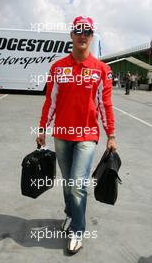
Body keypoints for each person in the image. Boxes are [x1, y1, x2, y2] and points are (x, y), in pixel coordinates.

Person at [36, 16, 117, 254]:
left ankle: (77, 231)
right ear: (71, 35)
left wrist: (111, 134)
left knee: (77, 184)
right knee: (67, 183)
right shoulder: (58, 67)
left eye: (87, 32)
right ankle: (71, 214)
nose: (83, 35)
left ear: (92, 36)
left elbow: (105, 105)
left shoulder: (102, 70)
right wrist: (42, 129)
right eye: (78, 31)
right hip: (61, 135)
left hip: (87, 135)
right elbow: (50, 101)